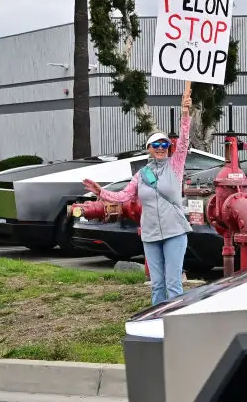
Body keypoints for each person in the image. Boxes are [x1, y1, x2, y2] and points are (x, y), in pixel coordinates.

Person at [82, 89, 193, 305]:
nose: (160, 148)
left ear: (168, 148)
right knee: (157, 284)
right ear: (149, 149)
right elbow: (123, 196)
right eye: (156, 145)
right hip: (150, 235)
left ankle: (175, 321)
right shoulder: (142, 175)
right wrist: (100, 192)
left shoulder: (175, 166)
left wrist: (185, 113)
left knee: (173, 284)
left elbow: (184, 141)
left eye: (164, 145)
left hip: (175, 232)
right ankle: (156, 320)